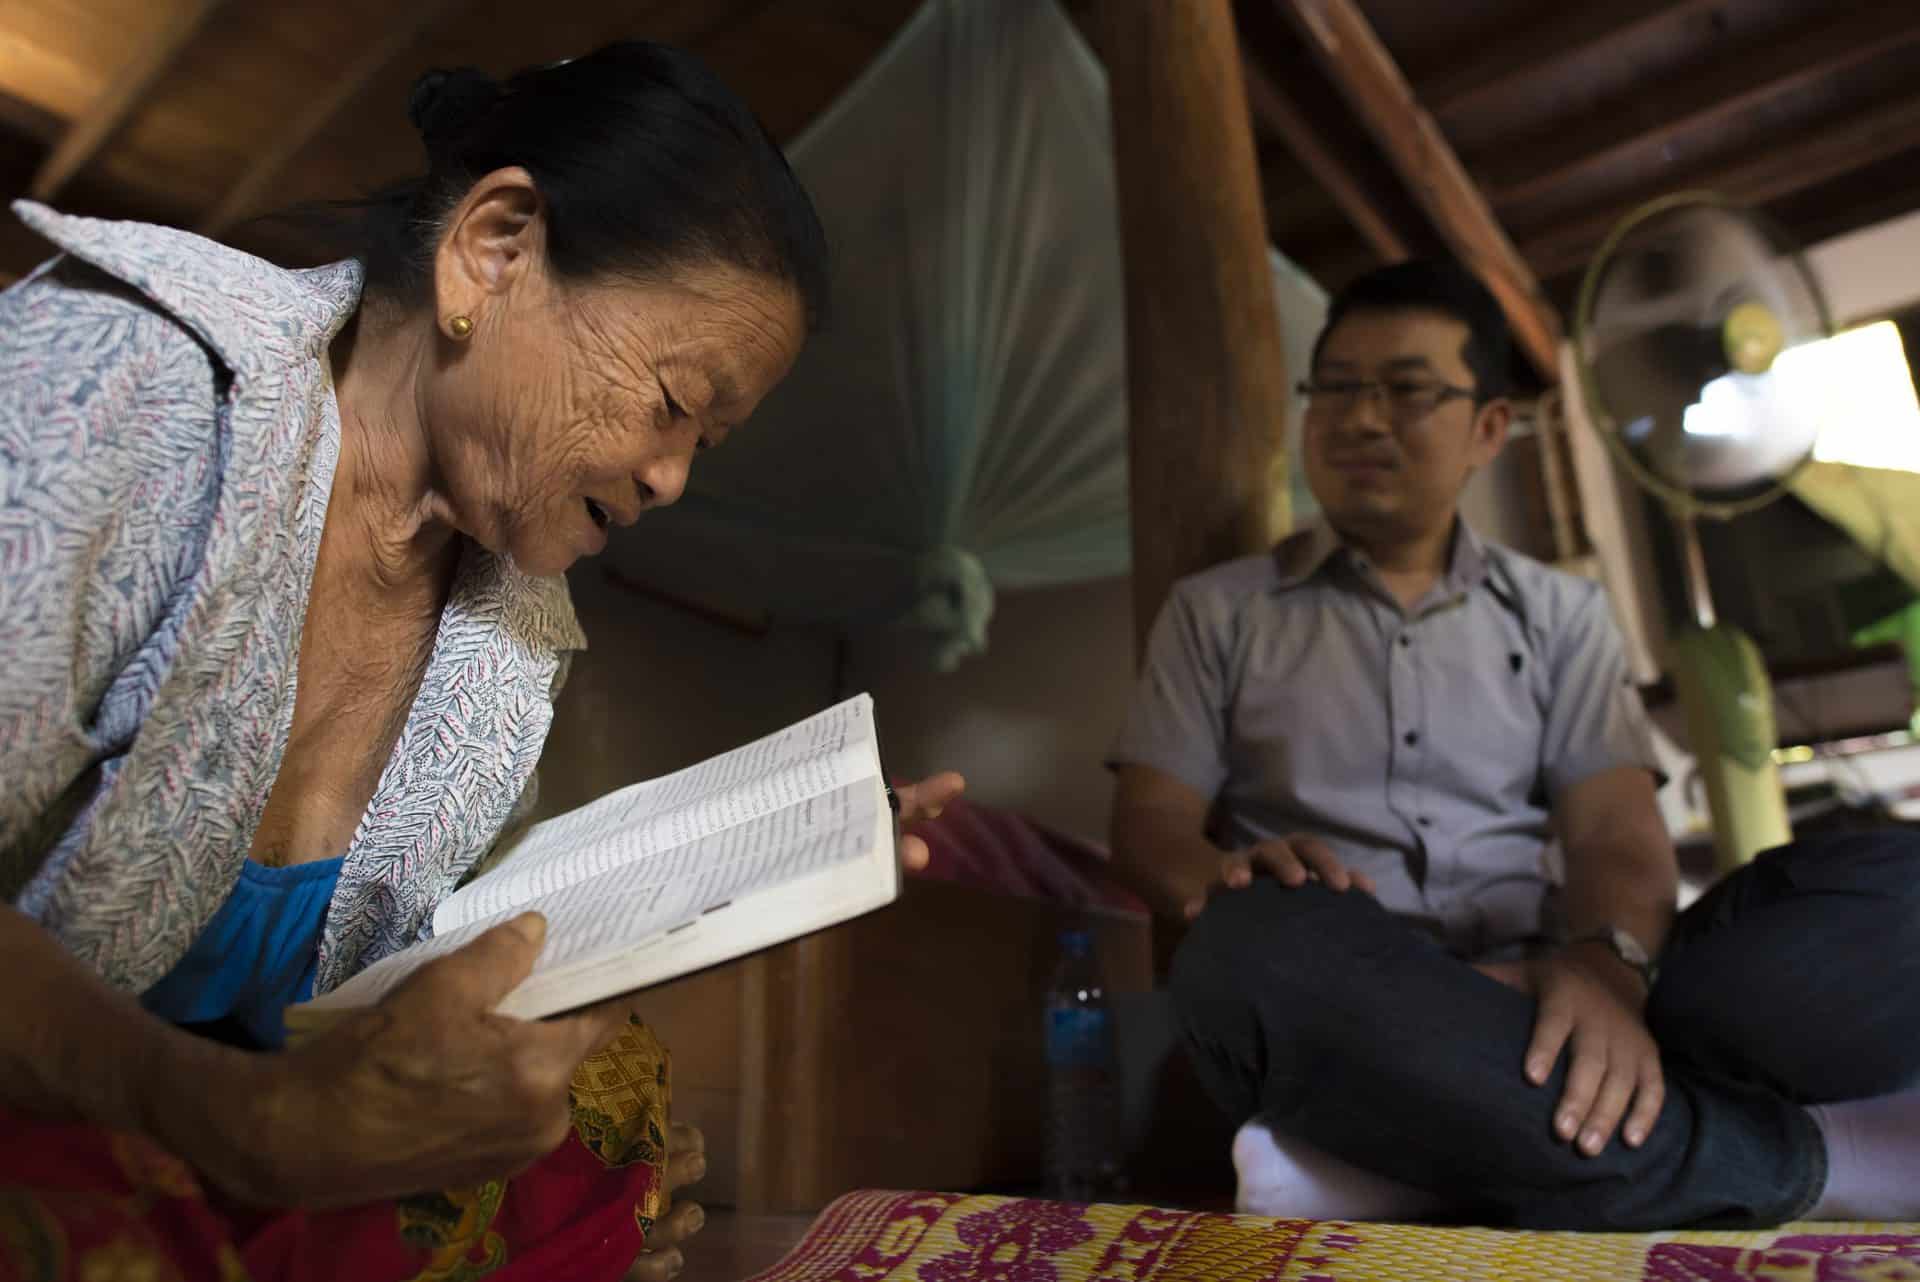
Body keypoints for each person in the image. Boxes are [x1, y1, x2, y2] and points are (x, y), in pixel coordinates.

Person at [0, 42, 964, 1281]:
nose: (673, 477)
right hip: (85, 1113)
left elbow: (357, 1016)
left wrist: (777, 862)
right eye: (674, 402)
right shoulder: (130, 383)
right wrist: (237, 1121)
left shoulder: (513, 638)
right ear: (493, 250)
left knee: (598, 1116)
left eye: (704, 441)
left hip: (210, 1132)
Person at [1106, 259, 1920, 1231]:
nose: (1362, 419)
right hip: (1356, 993)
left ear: (1488, 427)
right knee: (1243, 952)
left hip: (1565, 984)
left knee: (1886, 882)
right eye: (1337, 388)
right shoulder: (1219, 612)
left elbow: (1615, 833)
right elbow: (1150, 822)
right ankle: (1818, 1161)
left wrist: (1604, 967)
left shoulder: (1561, 613)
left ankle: (1415, 1157)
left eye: (1406, 388)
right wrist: (1225, 875)